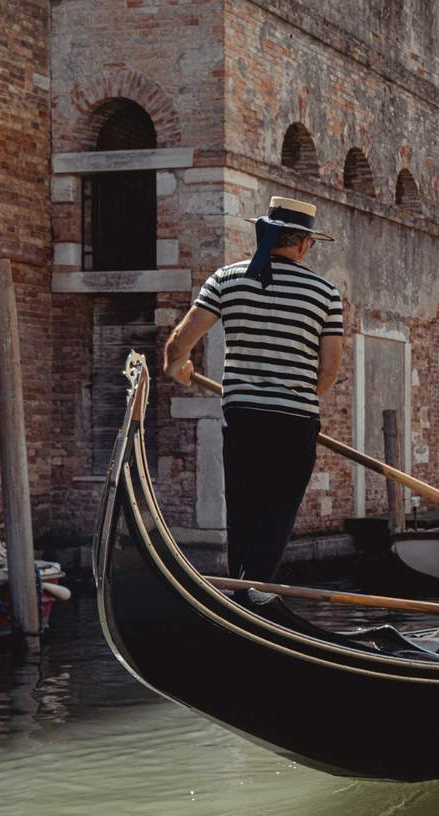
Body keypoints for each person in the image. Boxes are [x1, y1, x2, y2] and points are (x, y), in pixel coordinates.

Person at [162, 196, 343, 584]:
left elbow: (178, 345)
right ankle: (255, 589)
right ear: (304, 243)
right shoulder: (325, 293)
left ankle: (241, 592)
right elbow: (329, 370)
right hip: (295, 418)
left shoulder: (226, 279)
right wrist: (300, 395)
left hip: (242, 413)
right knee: (279, 508)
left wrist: (179, 368)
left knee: (243, 508)